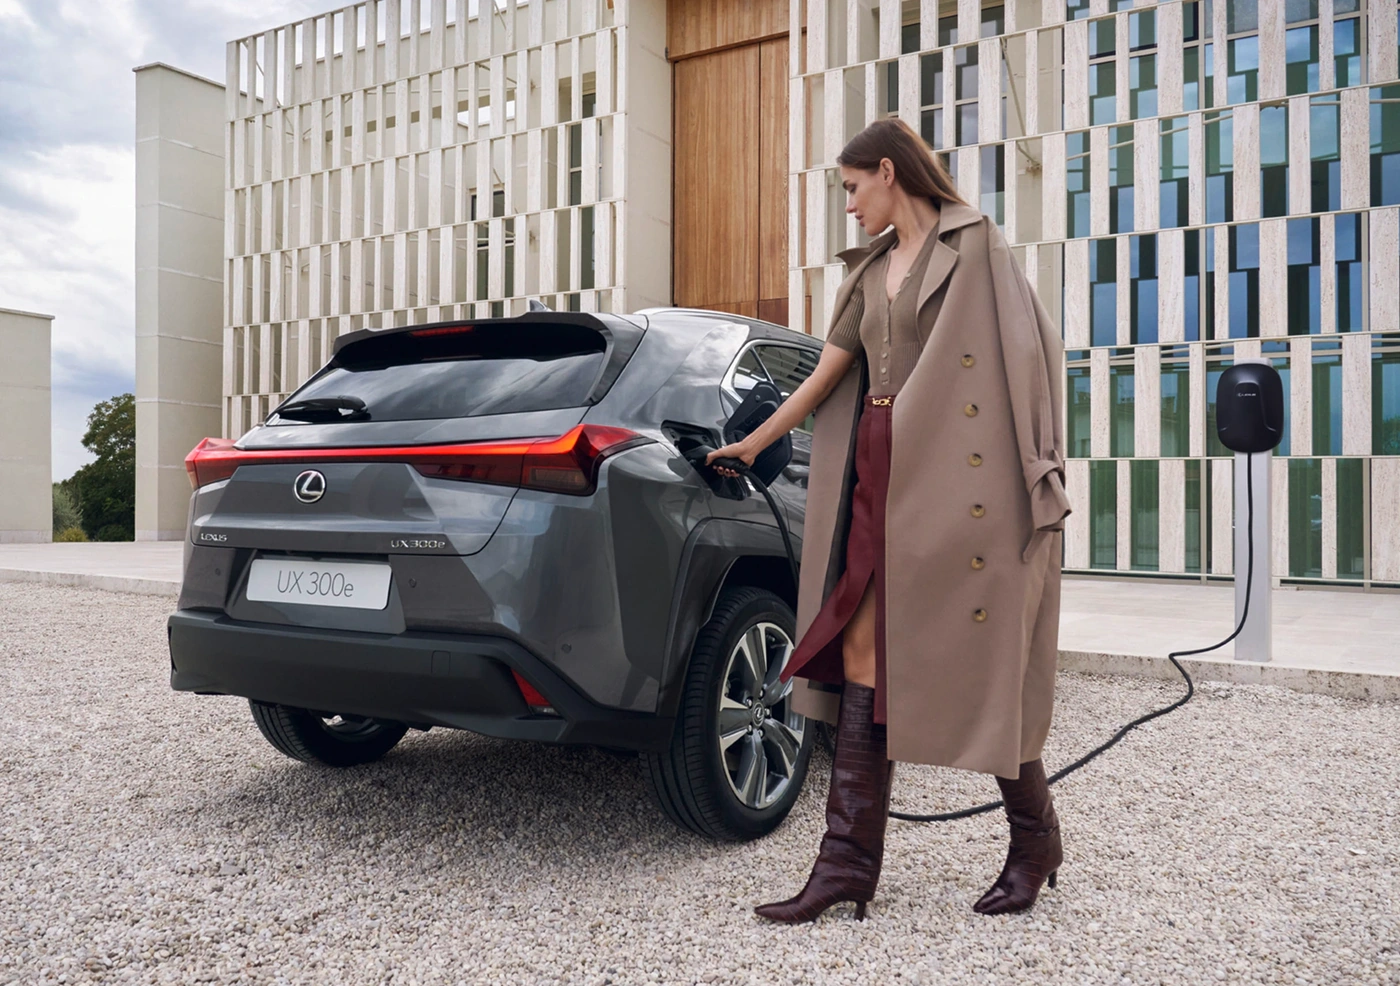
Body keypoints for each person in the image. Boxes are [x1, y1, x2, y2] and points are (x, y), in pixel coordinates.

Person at [705, 118, 1070, 923]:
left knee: (985, 665)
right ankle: (846, 865)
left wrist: (1042, 477)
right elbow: (825, 374)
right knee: (862, 648)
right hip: (879, 471)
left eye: (850, 188)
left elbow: (1029, 360)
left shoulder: (974, 247)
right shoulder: (869, 274)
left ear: (886, 172)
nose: (847, 207)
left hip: (962, 485)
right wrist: (753, 442)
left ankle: (1033, 838)